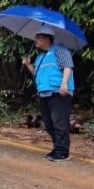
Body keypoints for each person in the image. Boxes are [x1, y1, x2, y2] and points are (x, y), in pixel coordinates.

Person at [22, 25, 74, 161]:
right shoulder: (40, 57)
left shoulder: (60, 49)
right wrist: (28, 65)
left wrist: (64, 84)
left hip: (59, 91)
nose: (36, 40)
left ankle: (63, 152)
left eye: (38, 38)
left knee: (59, 122)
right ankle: (57, 148)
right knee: (49, 123)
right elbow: (36, 74)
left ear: (47, 38)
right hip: (44, 93)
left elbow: (68, 66)